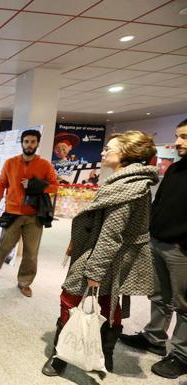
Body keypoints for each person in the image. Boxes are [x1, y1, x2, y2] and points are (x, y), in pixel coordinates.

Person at [42, 130, 158, 376]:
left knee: (71, 298)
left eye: (110, 148)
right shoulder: (127, 181)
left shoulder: (128, 186)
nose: (103, 152)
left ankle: (60, 356)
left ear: (126, 153)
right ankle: (104, 357)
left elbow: (111, 234)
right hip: (107, 254)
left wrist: (94, 271)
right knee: (108, 303)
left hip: (104, 255)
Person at [119, 119, 187, 379]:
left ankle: (181, 355)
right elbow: (159, 203)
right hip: (158, 241)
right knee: (158, 296)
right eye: (178, 136)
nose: (178, 142)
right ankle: (154, 338)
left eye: (184, 137)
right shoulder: (175, 170)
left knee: (183, 304)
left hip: (181, 249)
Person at [0, 129, 59, 297]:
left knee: (31, 252)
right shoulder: (10, 163)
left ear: (37, 143)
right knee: (5, 245)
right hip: (12, 212)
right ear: (22, 143)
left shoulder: (45, 165)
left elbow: (54, 186)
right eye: (26, 141)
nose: (29, 145)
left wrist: (35, 184)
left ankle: (24, 282)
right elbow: (1, 185)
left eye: (33, 142)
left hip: (35, 215)